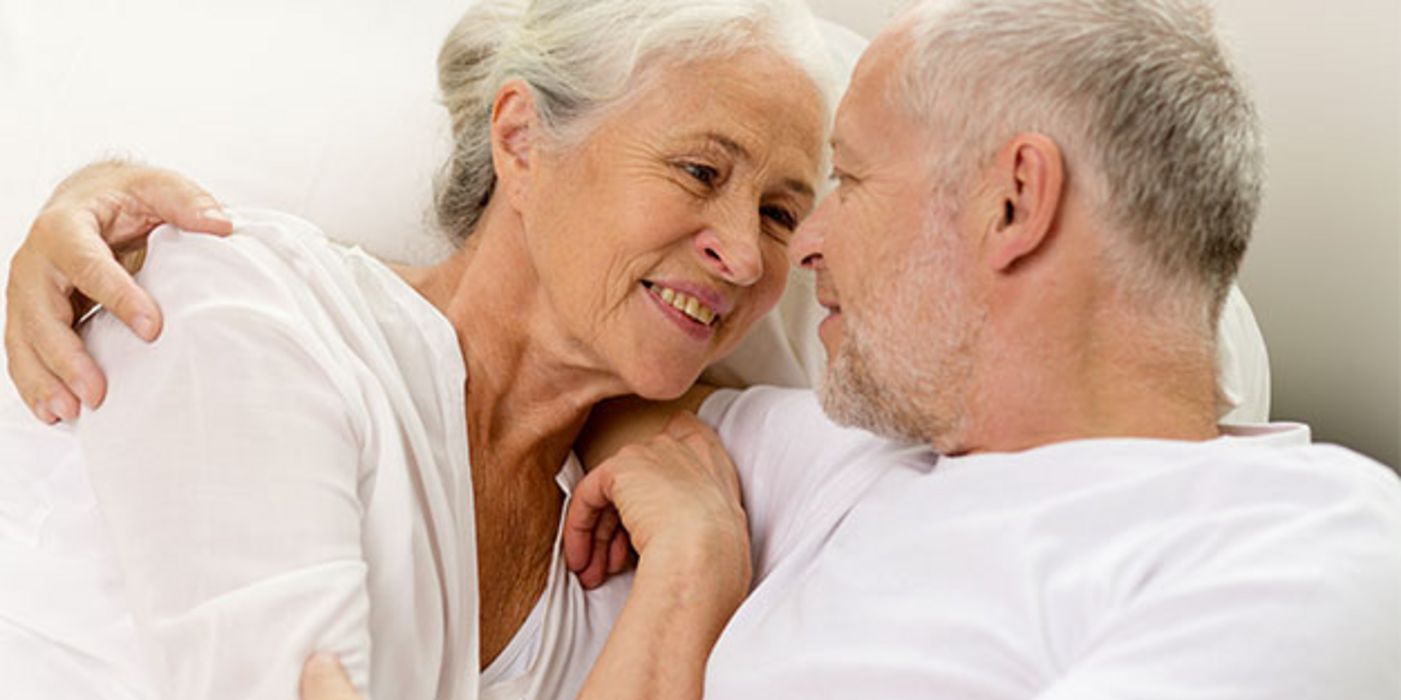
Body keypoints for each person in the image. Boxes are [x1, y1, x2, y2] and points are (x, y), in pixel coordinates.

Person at [548, 0, 1401, 697]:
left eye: (848, 179)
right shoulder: (850, 461)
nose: (805, 245)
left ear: (1012, 203)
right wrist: (691, 558)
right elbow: (621, 404)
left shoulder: (1309, 544)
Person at [1, 0, 834, 697]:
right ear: (520, 140)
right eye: (698, 171)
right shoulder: (251, 305)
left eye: (779, 215)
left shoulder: (623, 548)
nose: (747, 253)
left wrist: (690, 570)